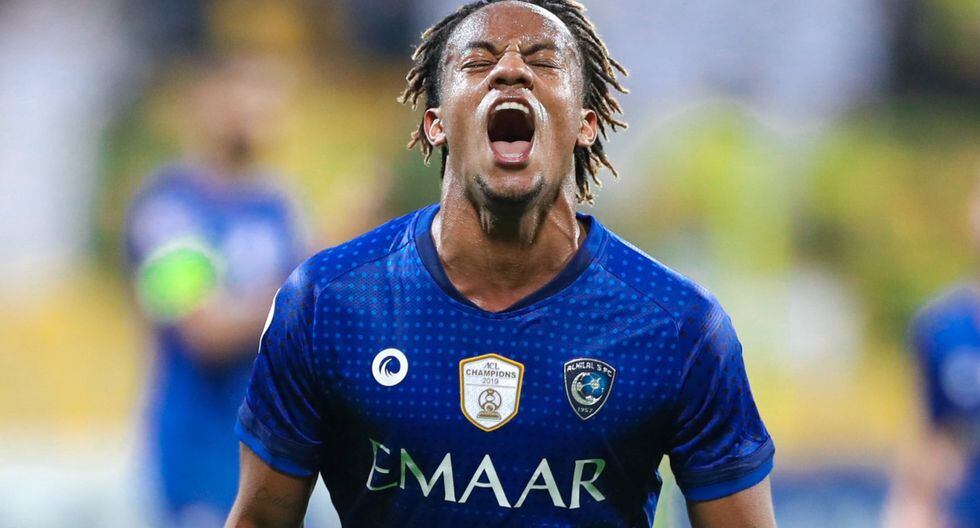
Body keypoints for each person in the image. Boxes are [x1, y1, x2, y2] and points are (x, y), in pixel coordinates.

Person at [226, 1, 775, 526]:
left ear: (585, 124)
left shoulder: (678, 327)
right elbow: (260, 519)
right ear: (437, 123)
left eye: (543, 61)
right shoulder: (329, 302)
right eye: (477, 61)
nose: (511, 70)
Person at [125, 56, 306, 526]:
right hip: (198, 465)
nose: (258, 108)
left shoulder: (278, 206)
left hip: (275, 462)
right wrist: (304, 287)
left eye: (267, 95)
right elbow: (204, 332)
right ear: (205, 100)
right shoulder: (167, 207)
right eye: (243, 91)